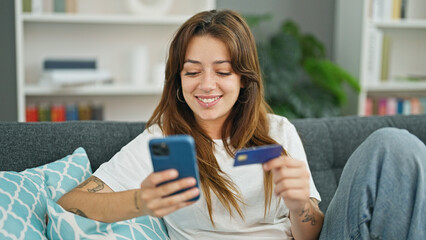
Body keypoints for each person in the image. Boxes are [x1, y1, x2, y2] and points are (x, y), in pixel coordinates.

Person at [57, 9, 426, 240]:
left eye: (222, 71)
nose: (206, 85)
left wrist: (299, 202)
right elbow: (71, 203)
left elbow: (310, 232)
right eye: (192, 72)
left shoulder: (278, 131)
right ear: (177, 80)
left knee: (395, 144)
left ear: (244, 79)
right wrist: (142, 200)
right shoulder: (163, 141)